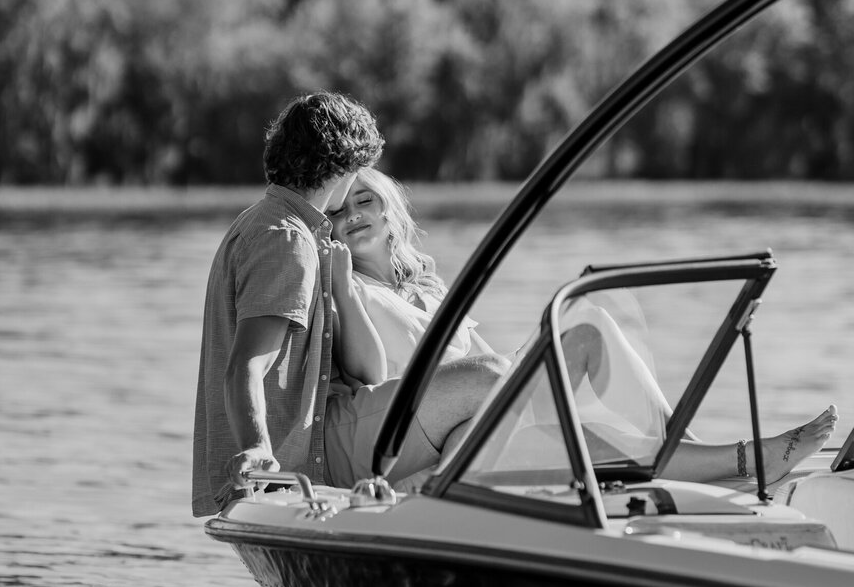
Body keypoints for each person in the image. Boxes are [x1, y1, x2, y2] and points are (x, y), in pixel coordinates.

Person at [327, 166, 837, 488]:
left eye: (364, 200)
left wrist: (528, 368)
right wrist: (345, 289)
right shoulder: (346, 289)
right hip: (422, 433)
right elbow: (366, 374)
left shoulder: (426, 287)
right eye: (339, 210)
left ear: (390, 211)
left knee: (587, 317)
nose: (353, 215)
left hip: (477, 410)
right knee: (587, 434)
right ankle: (733, 462)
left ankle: (695, 453)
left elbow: (477, 354)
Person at [191, 94, 509, 515]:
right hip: (306, 454)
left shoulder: (265, 224)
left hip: (313, 444)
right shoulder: (287, 239)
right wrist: (256, 449)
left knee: (487, 410)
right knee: (491, 376)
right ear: (341, 167)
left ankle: (429, 506)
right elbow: (247, 365)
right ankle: (426, 510)